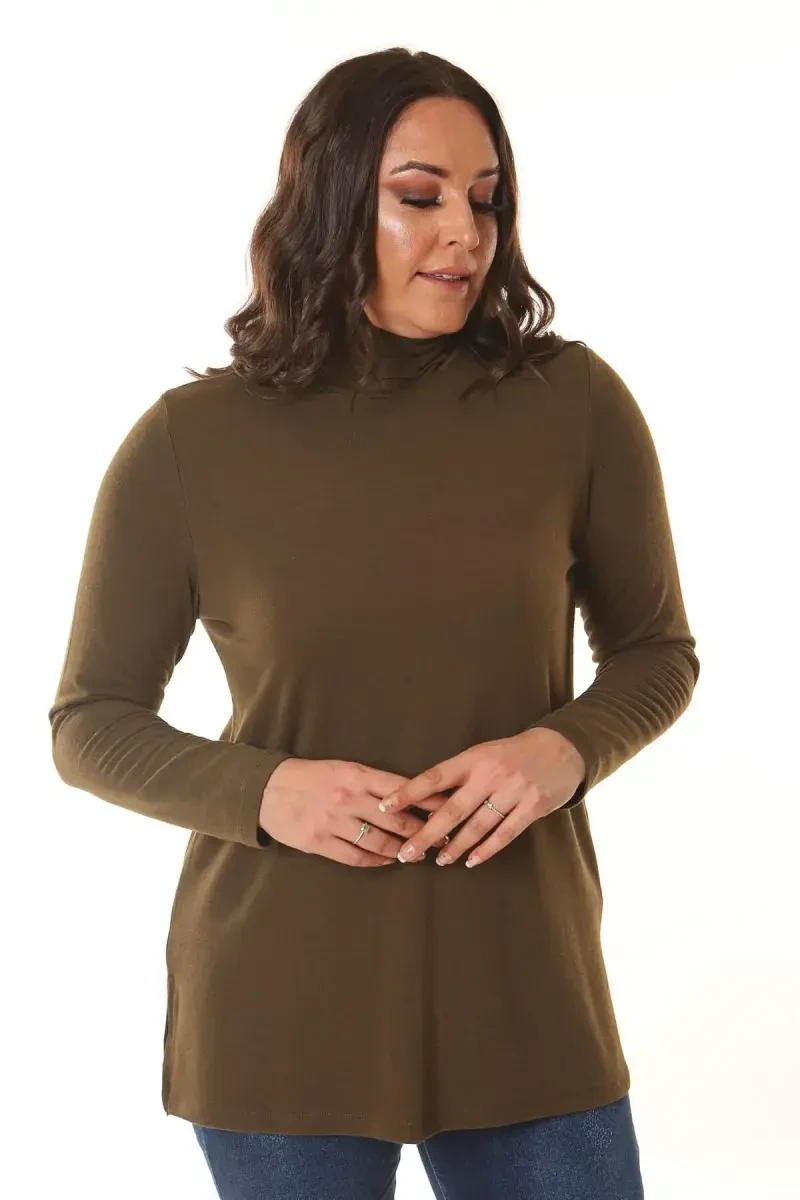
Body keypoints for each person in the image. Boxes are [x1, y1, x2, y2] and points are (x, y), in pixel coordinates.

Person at [48, 47, 699, 1199]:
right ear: (333, 201)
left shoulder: (572, 406)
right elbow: (90, 721)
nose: (463, 233)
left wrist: (559, 751)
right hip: (279, 1008)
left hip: (523, 988)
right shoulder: (191, 441)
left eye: (484, 199)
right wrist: (264, 791)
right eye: (417, 197)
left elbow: (655, 653)